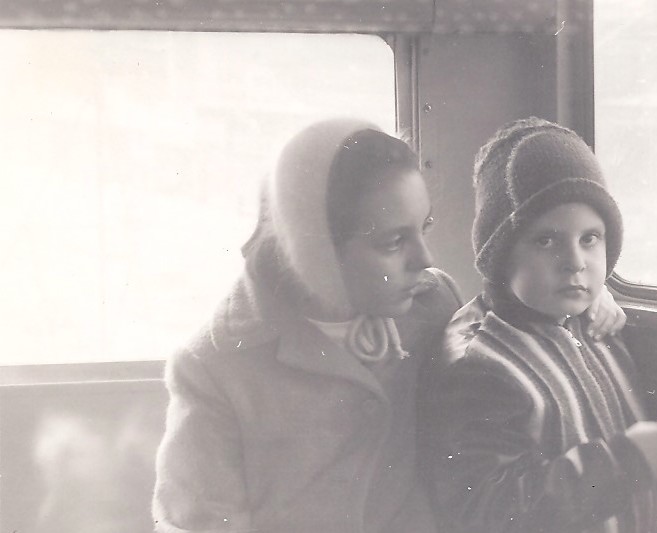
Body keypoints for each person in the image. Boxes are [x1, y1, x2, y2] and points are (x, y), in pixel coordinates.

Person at [152, 118, 626, 533]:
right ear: (318, 249)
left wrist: (587, 296)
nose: (425, 258)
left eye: (424, 228)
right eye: (393, 241)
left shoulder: (430, 300)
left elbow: (505, 315)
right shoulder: (215, 368)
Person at [422, 118, 657, 533]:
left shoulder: (588, 321)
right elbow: (488, 511)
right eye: (546, 240)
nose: (575, 262)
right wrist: (627, 461)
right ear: (500, 253)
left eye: (590, 239)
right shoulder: (479, 364)